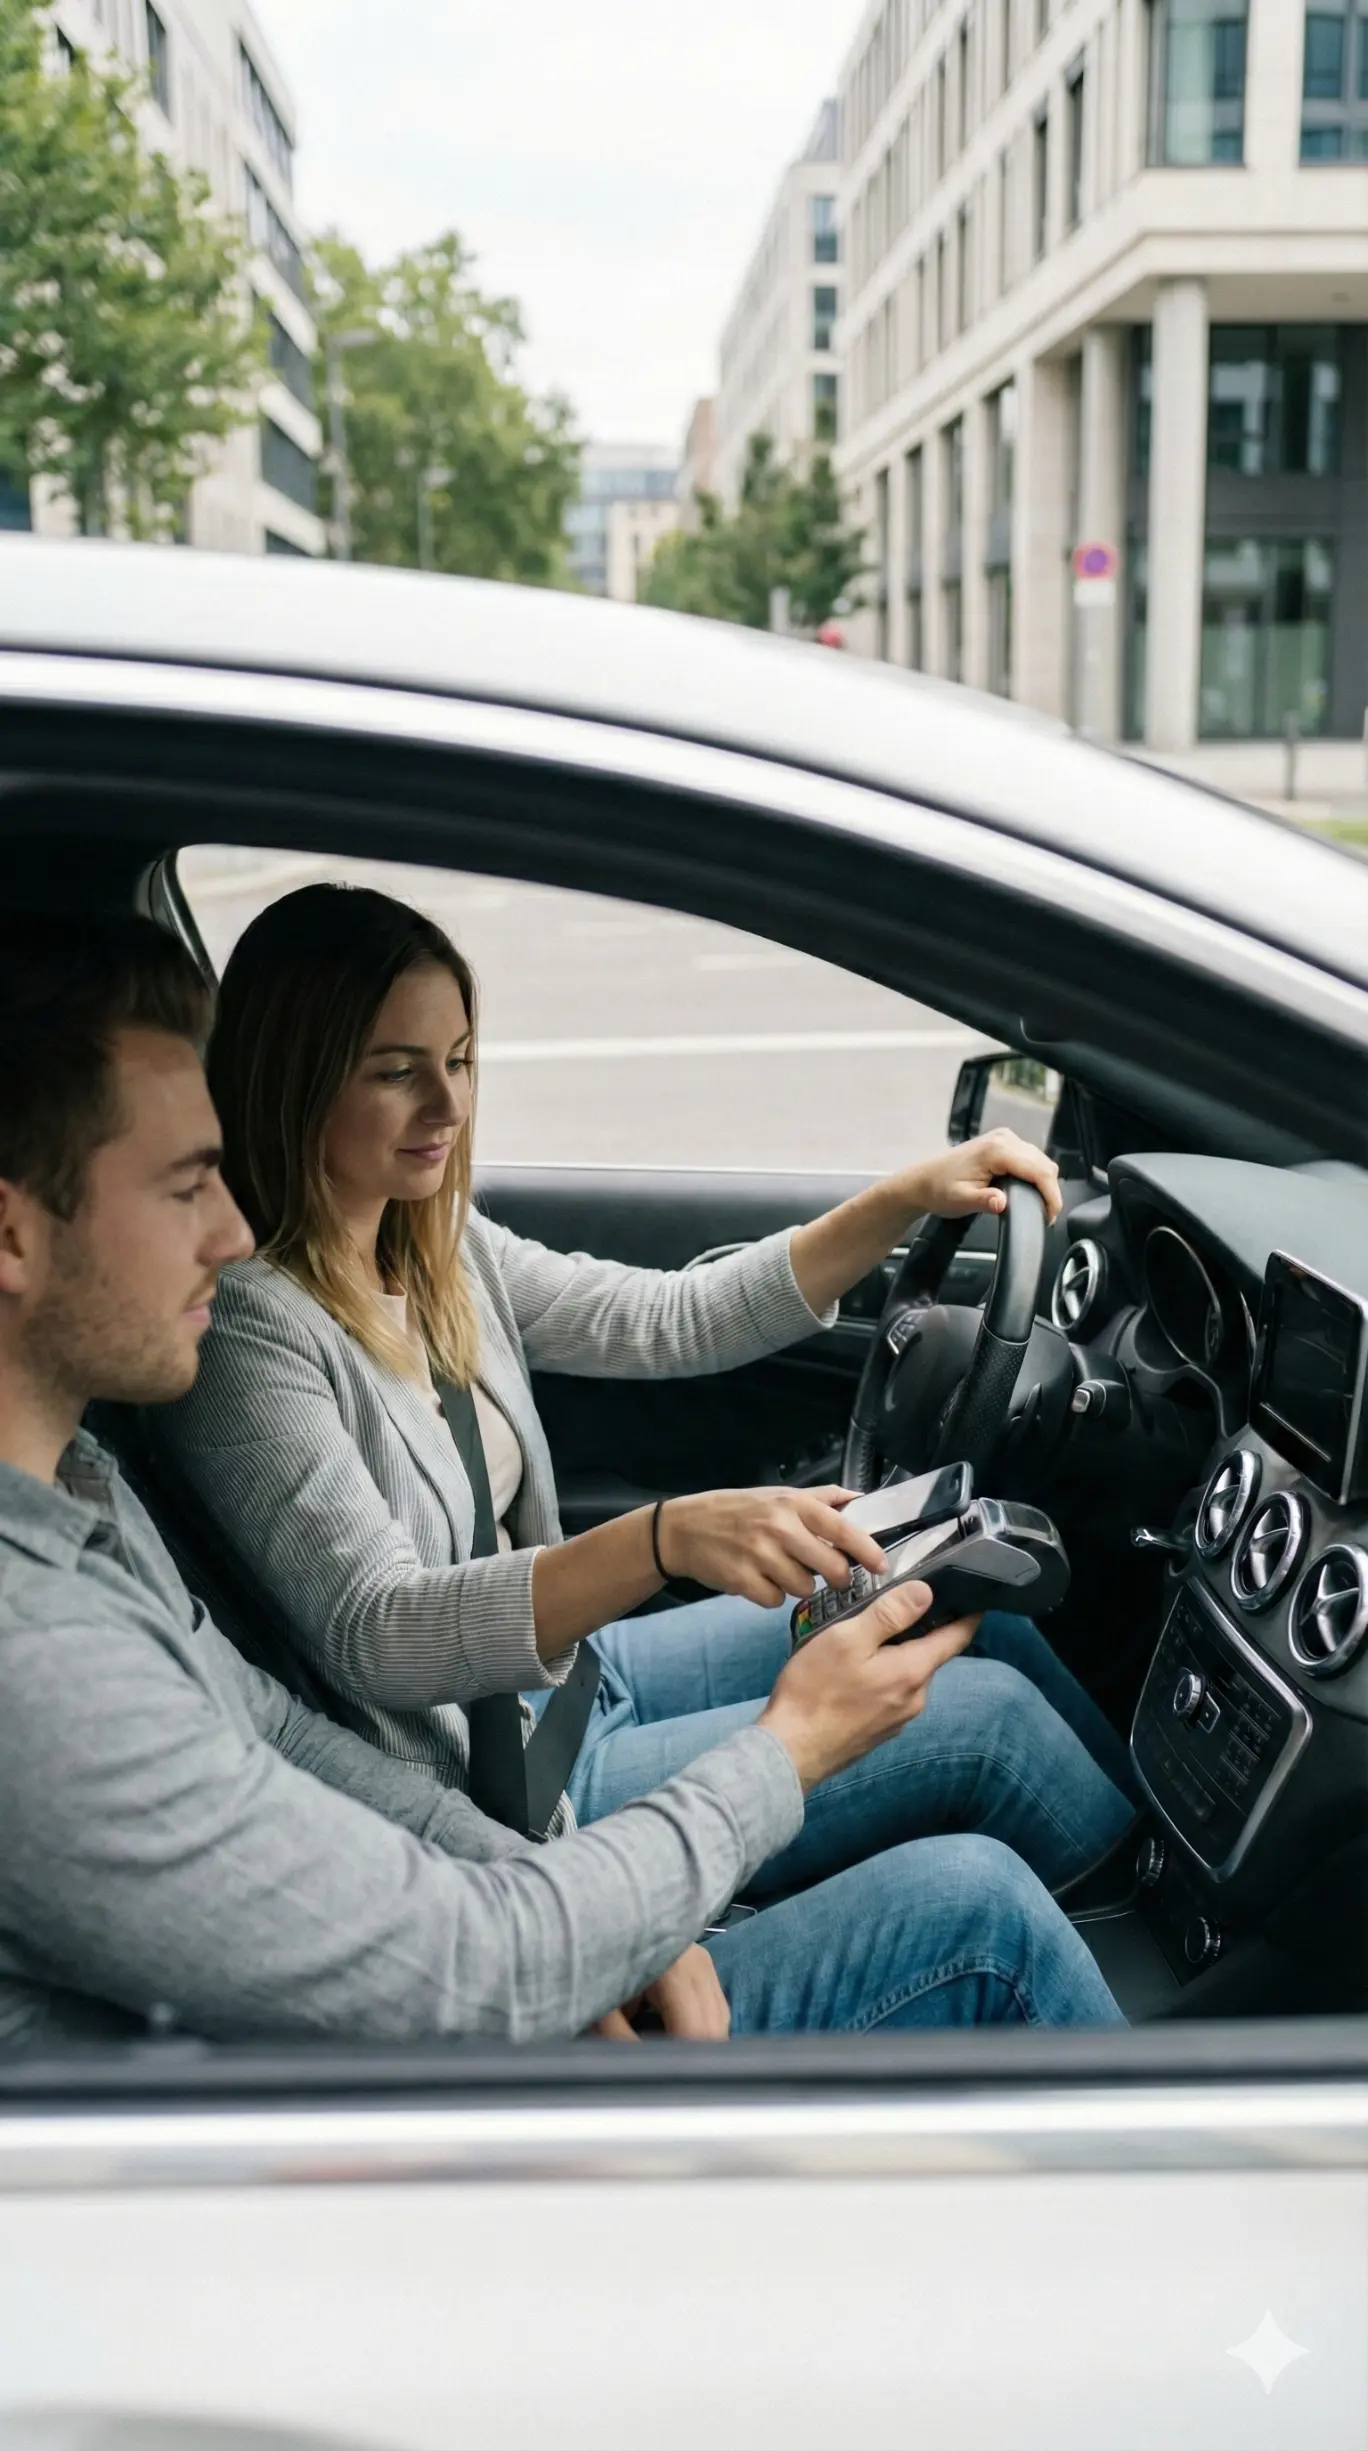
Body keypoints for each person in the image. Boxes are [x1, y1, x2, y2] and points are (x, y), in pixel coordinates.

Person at [0, 914, 1123, 2046]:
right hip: (483, 1770)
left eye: (461, 1063)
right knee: (982, 1864)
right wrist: (672, 1573)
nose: (448, 1106)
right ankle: (1216, 2025)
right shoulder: (228, 1360)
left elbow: (663, 1317)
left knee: (966, 1609)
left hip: (547, 1711)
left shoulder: (105, 1475)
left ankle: (1153, 1911)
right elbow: (379, 1644)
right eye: (398, 1073)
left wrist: (897, 1203)